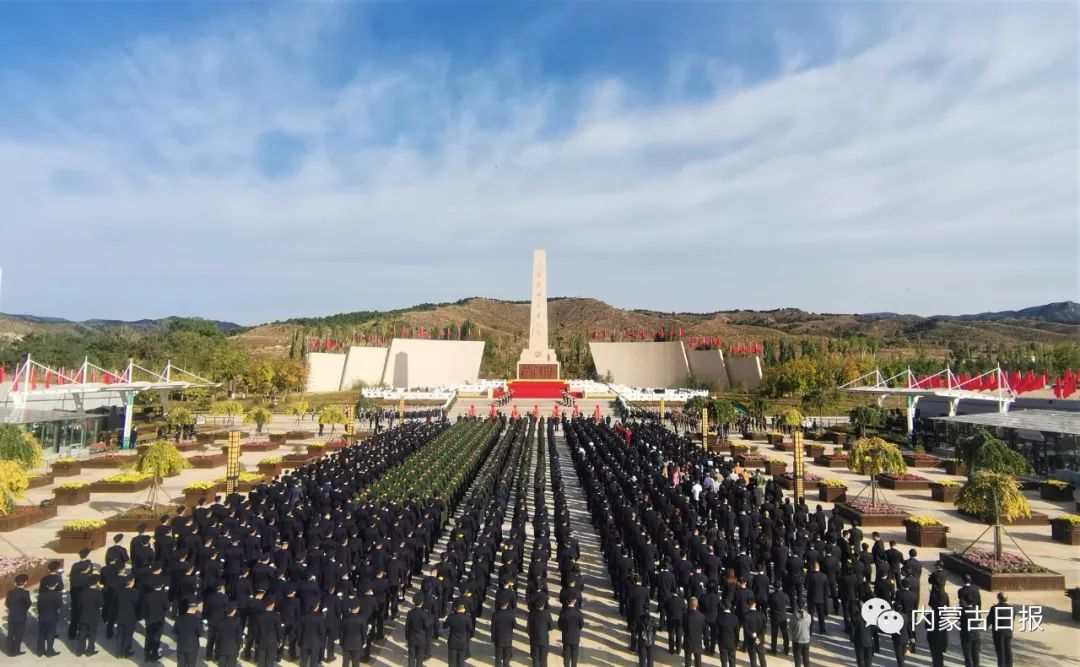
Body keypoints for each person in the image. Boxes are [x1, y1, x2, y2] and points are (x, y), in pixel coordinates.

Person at [406, 593, 436, 667]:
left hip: (412, 637)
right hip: (421, 638)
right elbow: (426, 626)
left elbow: (407, 627)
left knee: (411, 656)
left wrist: (407, 637)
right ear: (422, 602)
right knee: (420, 656)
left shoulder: (410, 613)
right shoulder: (425, 614)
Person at [5, 573, 30, 656]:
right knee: (19, 634)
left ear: (15, 583)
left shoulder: (10, 592)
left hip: (11, 616)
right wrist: (23, 610)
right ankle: (16, 650)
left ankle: (9, 650)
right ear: (25, 583)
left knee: (11, 633)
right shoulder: (25, 593)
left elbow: (7, 603)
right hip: (21, 617)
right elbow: (28, 603)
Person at [36, 577, 61, 657]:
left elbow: (38, 606)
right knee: (51, 634)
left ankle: (40, 651)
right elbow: (60, 605)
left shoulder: (41, 595)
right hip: (52, 617)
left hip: (42, 616)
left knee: (41, 634)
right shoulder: (57, 594)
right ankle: (50, 651)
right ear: (56, 584)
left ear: (47, 585)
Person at [444, 602, 474, 667]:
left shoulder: (451, 617)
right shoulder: (467, 618)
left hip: (452, 641)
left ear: (455, 608)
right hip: (462, 642)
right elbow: (471, 628)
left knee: (452, 662)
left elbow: (444, 626)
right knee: (461, 662)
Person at [528, 598, 555, 667]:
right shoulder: (547, 614)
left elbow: (529, 628)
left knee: (535, 658)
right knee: (543, 659)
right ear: (543, 605)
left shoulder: (531, 614)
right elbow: (551, 627)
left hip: (534, 639)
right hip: (544, 639)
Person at [175, 602, 203, 667]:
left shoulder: (179, 618)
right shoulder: (197, 620)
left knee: (181, 664)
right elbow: (201, 633)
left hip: (181, 645)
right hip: (192, 646)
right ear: (195, 608)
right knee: (191, 663)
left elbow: (175, 631)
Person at [989, 592, 1014, 667]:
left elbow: (990, 619)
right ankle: (1009, 665)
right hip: (1008, 631)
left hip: (999, 632)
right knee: (1008, 649)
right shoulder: (1012, 608)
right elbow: (1012, 618)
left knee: (1000, 650)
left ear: (998, 598)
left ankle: (1002, 665)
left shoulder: (994, 608)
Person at [558, 597, 584, 667]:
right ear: (575, 601)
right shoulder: (579, 613)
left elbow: (560, 625)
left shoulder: (563, 613)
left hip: (566, 636)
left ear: (567, 601)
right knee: (574, 655)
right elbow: (581, 625)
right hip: (575, 637)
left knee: (566, 656)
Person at [491, 599, 517, 667]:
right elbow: (514, 626)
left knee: (498, 658)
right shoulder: (511, 615)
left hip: (498, 639)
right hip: (508, 639)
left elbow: (493, 628)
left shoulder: (495, 615)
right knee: (506, 658)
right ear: (507, 604)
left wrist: (493, 638)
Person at [743, 599, 768, 667]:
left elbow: (746, 629)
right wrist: (758, 637)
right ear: (755, 604)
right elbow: (764, 628)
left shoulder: (745, 616)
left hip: (750, 640)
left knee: (753, 658)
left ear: (748, 605)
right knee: (761, 656)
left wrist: (754, 637)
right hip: (760, 639)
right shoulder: (762, 614)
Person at [683, 596, 706, 667]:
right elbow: (704, 629)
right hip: (698, 641)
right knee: (698, 661)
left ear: (689, 605)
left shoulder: (685, 616)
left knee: (687, 661)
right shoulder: (702, 616)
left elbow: (683, 628)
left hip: (688, 640)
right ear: (697, 605)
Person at [960, 603, 982, 667]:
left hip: (966, 633)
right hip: (975, 633)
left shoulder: (963, 610)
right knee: (975, 652)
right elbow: (979, 620)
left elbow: (960, 619)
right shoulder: (976, 610)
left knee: (967, 652)